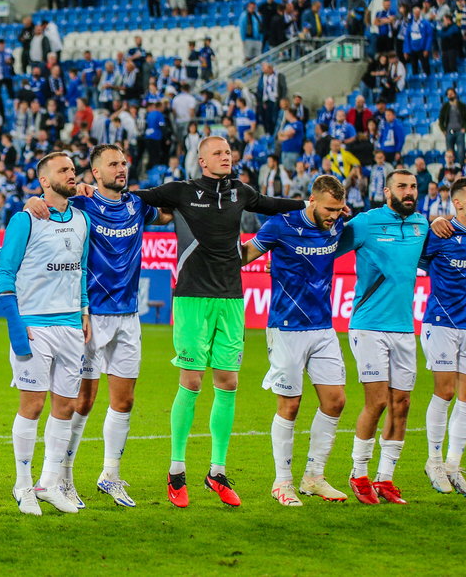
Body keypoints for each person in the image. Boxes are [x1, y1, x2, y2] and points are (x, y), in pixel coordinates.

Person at [132, 136, 305, 508]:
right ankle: (176, 471)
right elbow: (139, 197)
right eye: (218, 153)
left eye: (228, 152)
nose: (226, 157)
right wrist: (89, 191)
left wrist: (312, 203)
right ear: (202, 160)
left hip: (230, 298)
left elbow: (275, 205)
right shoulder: (180, 191)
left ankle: (217, 472)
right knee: (191, 381)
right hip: (192, 297)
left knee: (228, 382)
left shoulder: (241, 192)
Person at [27, 144, 172, 508]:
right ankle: (63, 474)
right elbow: (45, 202)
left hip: (128, 316)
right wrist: (32, 200)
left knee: (124, 400)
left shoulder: (138, 205)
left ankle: (110, 474)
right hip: (90, 315)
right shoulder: (82, 204)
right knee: (83, 400)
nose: (121, 169)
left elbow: (170, 214)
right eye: (113, 164)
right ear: (95, 173)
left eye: (124, 162)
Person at [240, 175, 350, 506]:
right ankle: (282, 481)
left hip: (323, 327)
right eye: (329, 208)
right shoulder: (280, 225)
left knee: (336, 401)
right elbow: (244, 256)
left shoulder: (338, 225)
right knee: (290, 405)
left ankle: (314, 477)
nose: (333, 215)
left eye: (338, 209)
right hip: (286, 328)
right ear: (312, 201)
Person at [0, 151, 91, 516]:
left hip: (71, 325)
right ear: (43, 180)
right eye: (63, 170)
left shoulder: (83, 219)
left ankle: (49, 483)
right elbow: (5, 275)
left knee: (65, 406)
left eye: (72, 169)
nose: (71, 174)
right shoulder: (26, 219)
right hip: (35, 324)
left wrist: (83, 310)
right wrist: (16, 327)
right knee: (33, 405)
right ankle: (22, 486)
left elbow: (81, 269)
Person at [336, 168, 427, 505]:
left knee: (401, 404)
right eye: (402, 186)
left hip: (405, 328)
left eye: (413, 187)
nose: (409, 192)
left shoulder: (422, 225)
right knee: (376, 402)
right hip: (369, 325)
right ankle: (358, 474)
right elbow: (326, 249)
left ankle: (385, 479)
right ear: (387, 191)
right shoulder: (366, 222)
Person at [419, 177, 466, 498]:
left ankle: (453, 465)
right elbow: (411, 256)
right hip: (440, 325)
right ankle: (433, 461)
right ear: (457, 202)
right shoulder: (438, 234)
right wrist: (434, 220)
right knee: (445, 392)